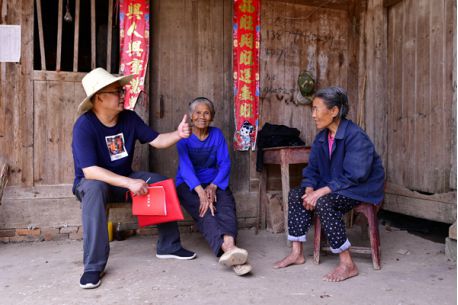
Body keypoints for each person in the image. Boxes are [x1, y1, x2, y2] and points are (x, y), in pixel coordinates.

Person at [72, 68, 196, 289]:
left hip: (123, 178)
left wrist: (179, 134)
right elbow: (90, 171)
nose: (123, 95)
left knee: (158, 182)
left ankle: (169, 245)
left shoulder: (128, 118)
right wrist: (129, 183)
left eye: (123, 90)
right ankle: (93, 266)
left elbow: (157, 140)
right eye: (117, 91)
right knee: (94, 189)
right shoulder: (85, 126)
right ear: (99, 97)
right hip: (92, 183)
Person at [274, 87, 385, 282]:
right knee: (296, 194)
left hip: (360, 188)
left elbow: (355, 175)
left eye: (317, 109)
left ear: (334, 111)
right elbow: (312, 170)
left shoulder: (355, 136)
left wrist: (320, 193)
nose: (313, 114)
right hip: (335, 186)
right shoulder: (322, 138)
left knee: (325, 202)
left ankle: (347, 263)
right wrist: (309, 189)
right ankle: (297, 253)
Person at [175, 97, 252, 276]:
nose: (202, 116)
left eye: (206, 113)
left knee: (226, 206)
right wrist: (201, 192)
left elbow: (224, 163)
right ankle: (229, 250)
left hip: (214, 182)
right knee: (205, 211)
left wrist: (214, 185)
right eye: (198, 113)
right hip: (188, 184)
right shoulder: (183, 137)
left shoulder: (216, 135)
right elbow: (185, 168)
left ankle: (231, 247)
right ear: (191, 116)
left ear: (212, 117)